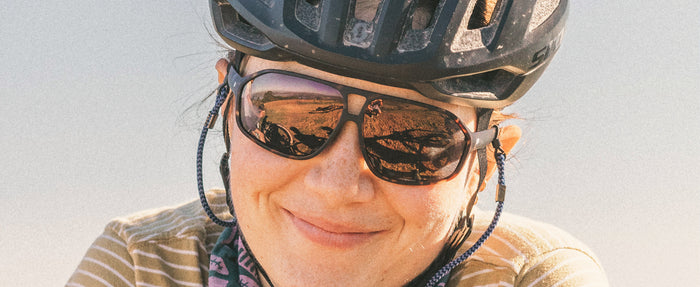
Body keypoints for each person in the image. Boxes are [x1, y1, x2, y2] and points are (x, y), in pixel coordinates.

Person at [68, 0, 609, 286]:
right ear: (228, 108)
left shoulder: (535, 281)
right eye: (293, 117)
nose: (338, 183)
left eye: (411, 139)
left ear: (485, 164)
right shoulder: (143, 268)